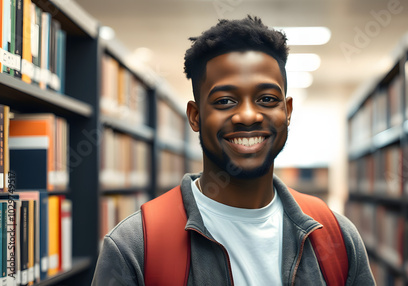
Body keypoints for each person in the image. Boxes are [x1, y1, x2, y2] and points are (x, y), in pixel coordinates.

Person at [92, 16, 375, 285]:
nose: (248, 116)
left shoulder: (337, 238)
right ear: (195, 116)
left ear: (287, 112)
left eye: (266, 99)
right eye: (225, 101)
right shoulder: (135, 248)